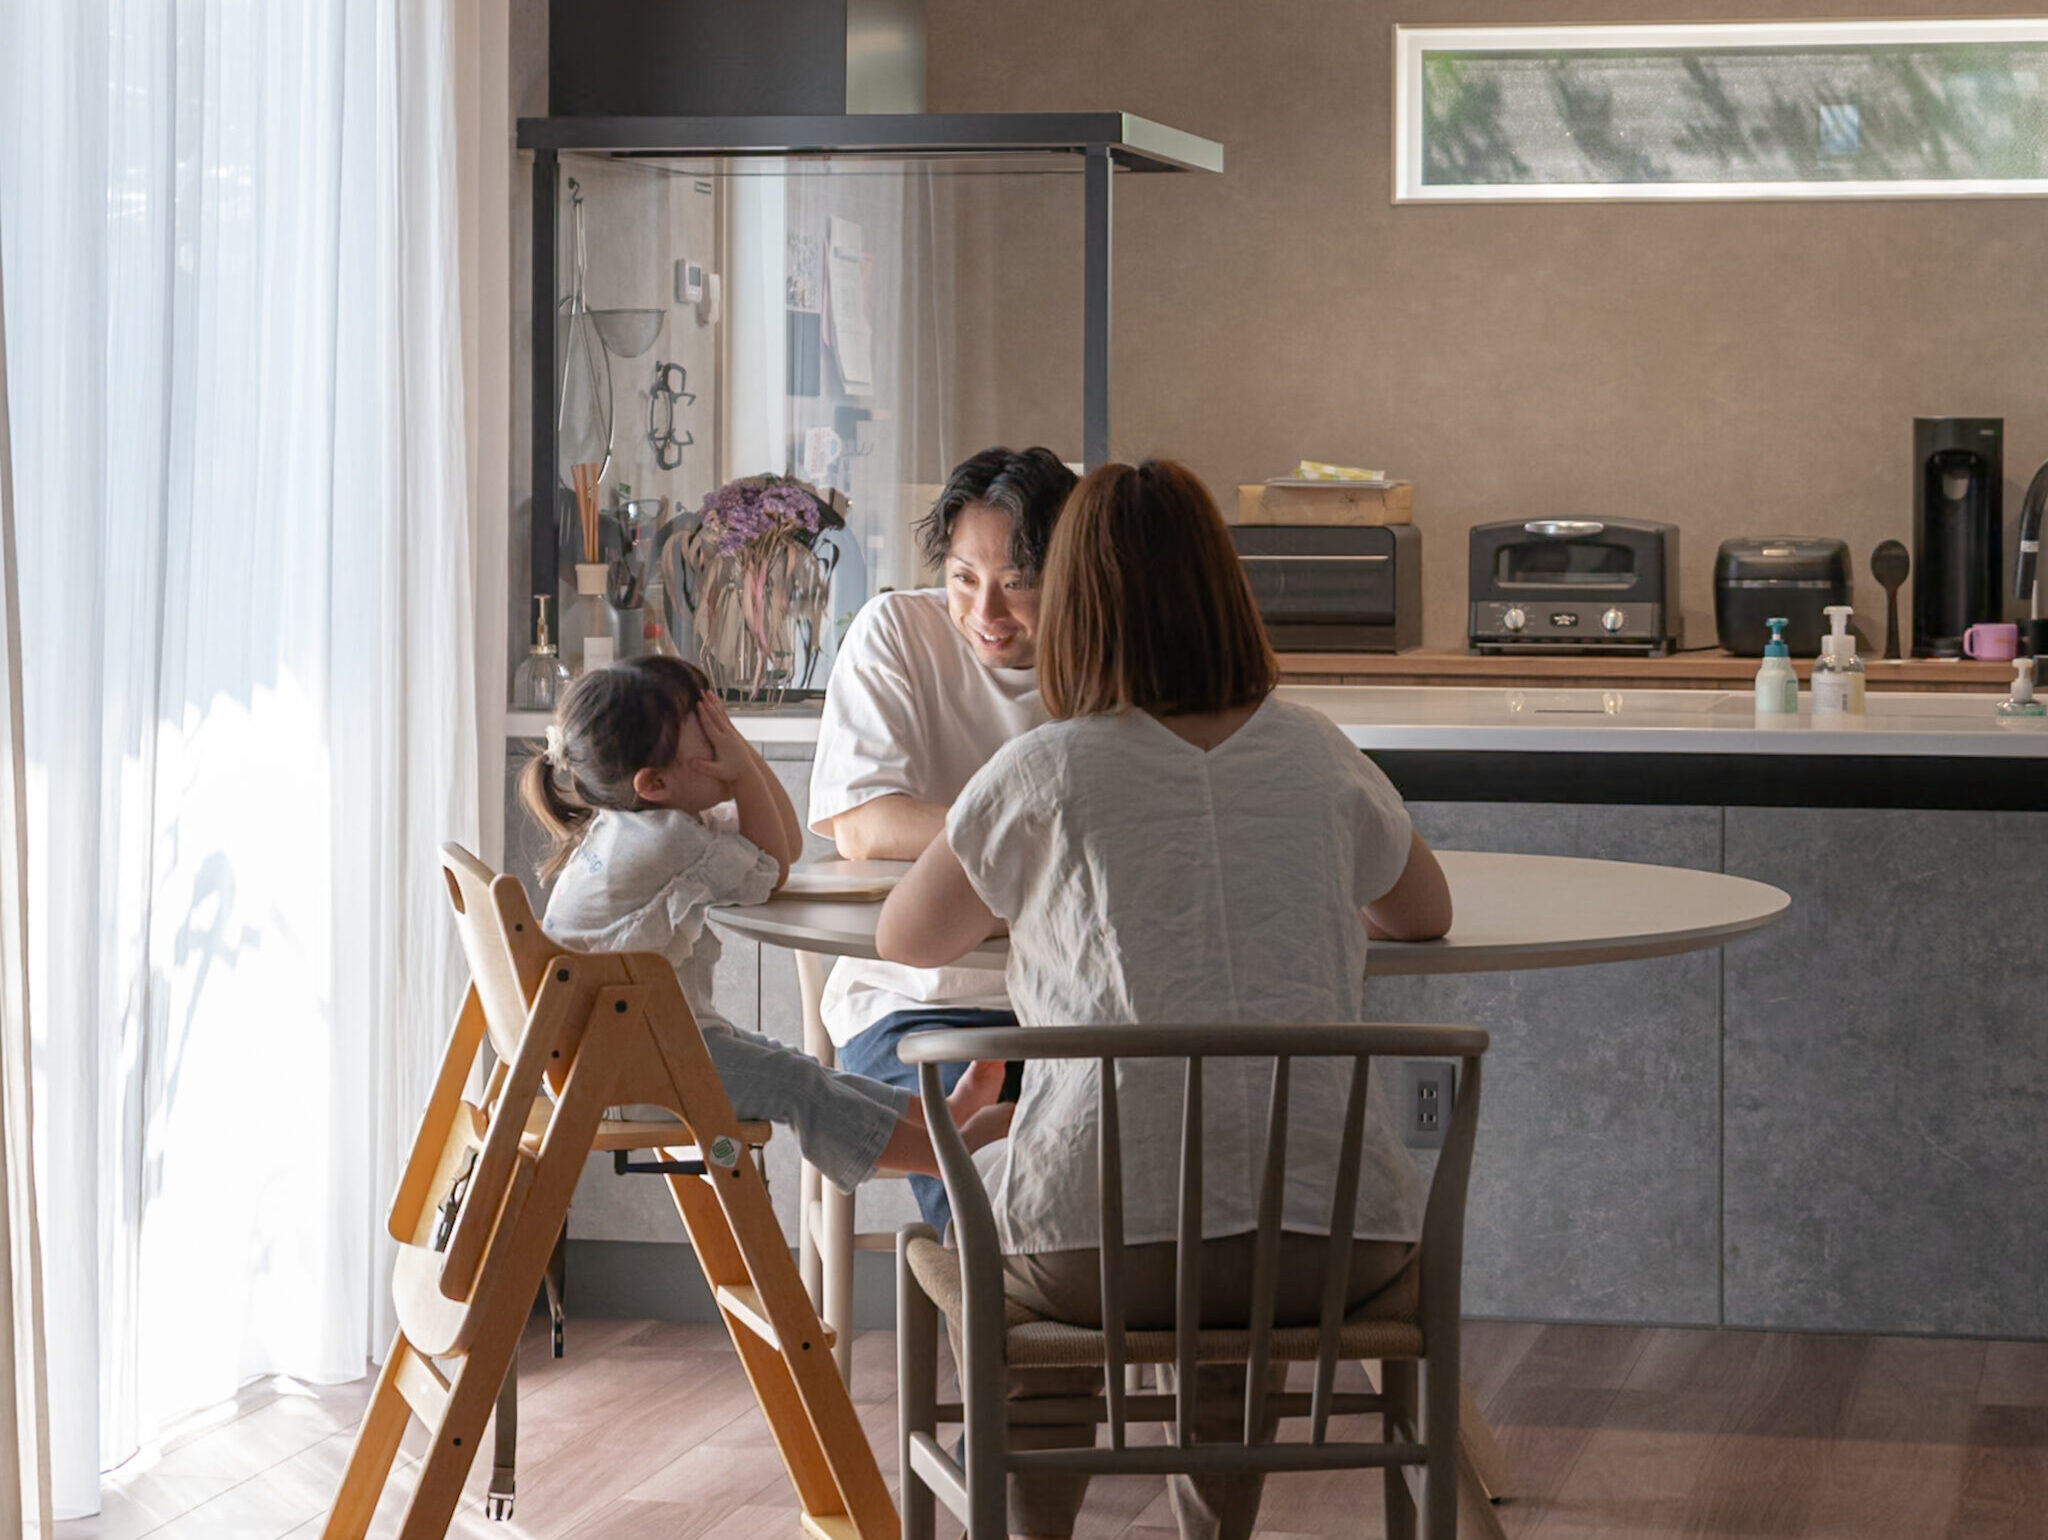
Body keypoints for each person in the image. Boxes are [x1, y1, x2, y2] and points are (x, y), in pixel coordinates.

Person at [875, 459, 1454, 1540]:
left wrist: (1044, 900)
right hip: (1337, 1241)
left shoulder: (1044, 770)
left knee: (1015, 1225)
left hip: (1106, 1254)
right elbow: (1421, 911)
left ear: (1075, 608)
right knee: (1227, 1240)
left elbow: (904, 937)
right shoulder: (1318, 752)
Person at [517, 655, 1010, 1194]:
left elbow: (782, 846)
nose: (724, 740)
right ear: (655, 782)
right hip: (630, 1071)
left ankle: (935, 1115)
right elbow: (777, 864)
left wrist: (735, 760)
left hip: (621, 1052)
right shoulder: (669, 841)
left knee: (788, 1062)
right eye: (709, 734)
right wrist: (743, 770)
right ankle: (939, 1155)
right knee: (796, 1082)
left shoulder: (631, 824)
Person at [807, 446, 1078, 1227]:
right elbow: (866, 824)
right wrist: (1040, 844)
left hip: (1076, 1003)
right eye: (964, 578)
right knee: (996, 1205)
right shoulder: (898, 632)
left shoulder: (1109, 656)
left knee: (1116, 1194)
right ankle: (992, 1297)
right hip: (916, 1004)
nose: (987, 612)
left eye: (1018, 583)